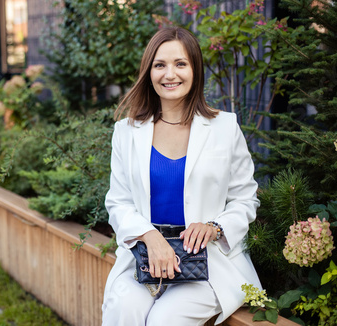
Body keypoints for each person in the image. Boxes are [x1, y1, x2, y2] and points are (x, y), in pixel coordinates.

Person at [102, 27, 262, 325]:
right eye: (159, 65)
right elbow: (118, 202)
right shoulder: (126, 132)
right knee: (123, 309)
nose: (169, 74)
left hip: (206, 263)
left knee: (165, 320)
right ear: (149, 72)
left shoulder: (225, 128)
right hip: (145, 258)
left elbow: (245, 198)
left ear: (195, 70)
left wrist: (215, 227)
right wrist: (150, 237)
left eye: (180, 64)